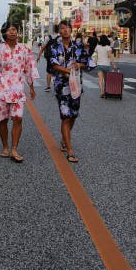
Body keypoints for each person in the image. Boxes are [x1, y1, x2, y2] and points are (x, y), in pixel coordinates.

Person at [0, 21, 39, 163]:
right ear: (4, 32)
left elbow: (29, 69)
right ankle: (5, 146)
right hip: (2, 90)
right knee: (3, 120)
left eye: (14, 30)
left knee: (18, 118)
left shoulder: (24, 50)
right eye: (10, 30)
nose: (12, 32)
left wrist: (32, 87)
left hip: (18, 89)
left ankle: (14, 148)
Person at [50, 20, 89, 164]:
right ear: (59, 31)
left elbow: (87, 62)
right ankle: (69, 150)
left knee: (73, 116)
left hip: (76, 85)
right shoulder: (55, 46)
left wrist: (79, 64)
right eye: (62, 28)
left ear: (71, 30)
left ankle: (63, 138)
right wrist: (66, 70)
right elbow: (53, 64)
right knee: (66, 116)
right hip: (61, 86)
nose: (65, 30)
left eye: (67, 28)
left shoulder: (79, 46)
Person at [37, 28, 59, 92]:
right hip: (58, 57)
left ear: (52, 31)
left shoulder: (48, 37)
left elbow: (43, 47)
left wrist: (39, 56)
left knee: (49, 72)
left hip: (50, 57)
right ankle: (57, 85)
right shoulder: (60, 38)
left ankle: (48, 86)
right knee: (58, 70)